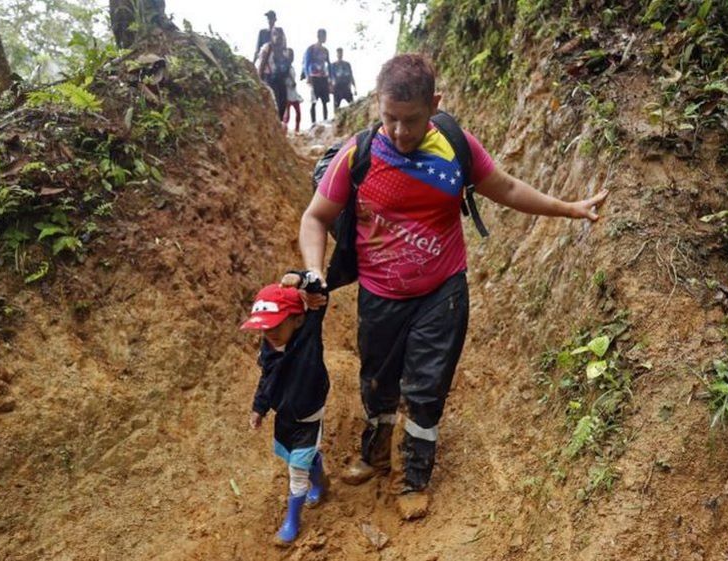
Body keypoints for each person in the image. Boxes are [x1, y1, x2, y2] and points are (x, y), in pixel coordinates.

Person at [296, 54, 609, 521]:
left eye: (412, 120)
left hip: (441, 292)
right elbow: (315, 217)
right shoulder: (358, 155)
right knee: (378, 383)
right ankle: (376, 452)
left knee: (426, 388)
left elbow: (505, 187)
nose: (400, 132)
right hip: (380, 295)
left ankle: (414, 476)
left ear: (435, 104)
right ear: (378, 108)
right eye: (390, 119)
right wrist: (315, 270)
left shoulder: (455, 147)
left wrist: (567, 208)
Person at [243, 272, 329, 545]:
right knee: (292, 456)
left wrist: (301, 280)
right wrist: (259, 408)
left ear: (298, 319)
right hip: (285, 416)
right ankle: (319, 475)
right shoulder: (269, 348)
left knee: (296, 470)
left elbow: (319, 289)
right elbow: (266, 379)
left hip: (308, 416)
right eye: (264, 329)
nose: (270, 334)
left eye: (276, 326)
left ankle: (292, 520)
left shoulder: (308, 336)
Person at [257, 27, 290, 121]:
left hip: (281, 79)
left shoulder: (285, 51)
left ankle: (279, 123)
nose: (278, 36)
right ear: (271, 36)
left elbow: (287, 66)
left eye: (280, 34)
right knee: (274, 102)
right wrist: (259, 81)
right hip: (269, 78)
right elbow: (262, 65)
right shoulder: (267, 47)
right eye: (275, 34)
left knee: (283, 102)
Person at [301, 29, 331, 124]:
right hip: (314, 77)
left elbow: (329, 64)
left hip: (323, 77)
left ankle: (325, 120)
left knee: (325, 101)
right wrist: (308, 76)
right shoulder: (311, 49)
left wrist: (330, 77)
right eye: (323, 36)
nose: (325, 38)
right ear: (319, 36)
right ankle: (313, 122)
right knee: (314, 100)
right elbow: (306, 63)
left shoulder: (326, 50)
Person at [282, 48, 303, 132]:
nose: (291, 57)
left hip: (293, 92)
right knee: (287, 114)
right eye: (290, 55)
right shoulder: (284, 67)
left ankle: (297, 129)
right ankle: (284, 129)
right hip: (287, 92)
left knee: (298, 112)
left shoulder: (291, 67)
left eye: (292, 55)